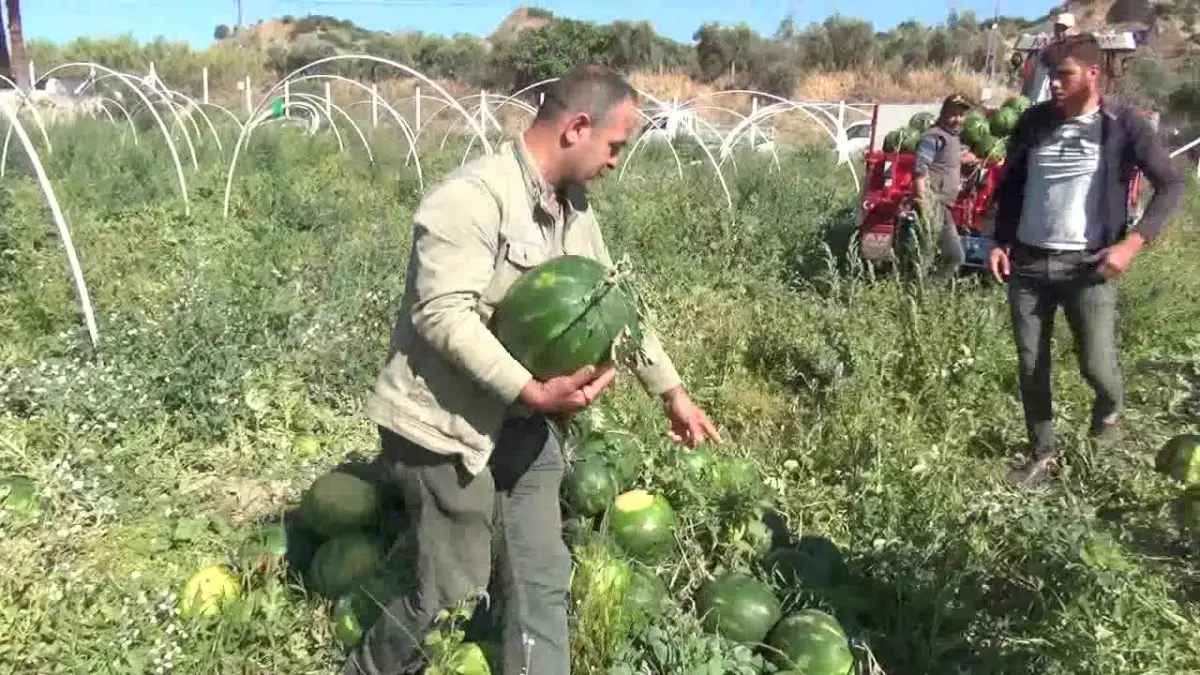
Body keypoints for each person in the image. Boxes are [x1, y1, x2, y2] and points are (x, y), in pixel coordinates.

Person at [346, 65, 723, 675]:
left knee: (543, 577)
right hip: (444, 429)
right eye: (615, 146)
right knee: (451, 594)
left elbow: (612, 302)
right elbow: (442, 314)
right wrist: (532, 389)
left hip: (525, 420)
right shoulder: (472, 197)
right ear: (578, 127)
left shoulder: (575, 210)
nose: (616, 162)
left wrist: (671, 392)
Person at [988, 34, 1185, 486]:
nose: (1053, 84)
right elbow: (1010, 186)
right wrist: (999, 241)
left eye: (1064, 75)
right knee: (1031, 363)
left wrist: (1132, 244)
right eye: (1049, 74)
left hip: (1089, 265)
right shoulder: (1033, 122)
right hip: (1030, 264)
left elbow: (1171, 184)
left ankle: (1110, 409)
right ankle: (1043, 453)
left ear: (1092, 74)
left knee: (1095, 363)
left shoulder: (1123, 125)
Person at [911, 93, 978, 281]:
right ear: (943, 113)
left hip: (942, 205)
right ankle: (925, 294)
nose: (957, 119)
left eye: (961, 115)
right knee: (955, 257)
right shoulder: (933, 137)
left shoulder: (953, 138)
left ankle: (916, 292)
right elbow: (919, 170)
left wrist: (969, 158)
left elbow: (952, 157)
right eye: (953, 114)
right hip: (934, 204)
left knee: (927, 255)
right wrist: (923, 203)